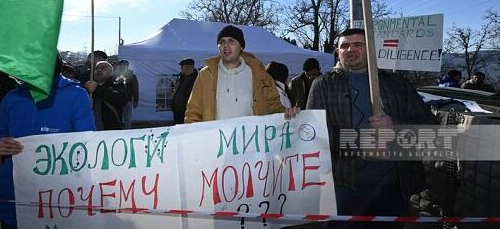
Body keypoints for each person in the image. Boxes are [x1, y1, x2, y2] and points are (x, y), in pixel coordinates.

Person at [288, 28, 437, 229]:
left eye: (359, 44)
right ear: (337, 51)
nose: (351, 49)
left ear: (371, 49)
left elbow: (429, 127)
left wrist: (394, 128)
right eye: (345, 45)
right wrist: (358, 144)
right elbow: (316, 132)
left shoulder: (397, 84)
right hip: (344, 186)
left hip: (394, 186)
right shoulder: (323, 84)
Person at [0, 56, 96, 229]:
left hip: (57, 193)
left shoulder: (75, 95)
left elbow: (86, 141)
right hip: (14, 189)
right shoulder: (13, 96)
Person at [185, 25, 284, 122]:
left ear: (241, 46)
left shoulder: (260, 75)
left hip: (250, 137)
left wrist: (288, 115)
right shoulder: (205, 75)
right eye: (222, 42)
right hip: (215, 138)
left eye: (231, 41)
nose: (226, 45)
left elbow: (275, 107)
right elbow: (193, 113)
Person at [84, 61, 129, 130]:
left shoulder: (117, 86)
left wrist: (97, 89)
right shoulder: (86, 88)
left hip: (109, 131)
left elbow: (121, 99)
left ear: (111, 73)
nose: (99, 70)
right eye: (96, 68)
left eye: (103, 68)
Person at [171, 58, 198, 124]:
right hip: (177, 111)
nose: (181, 68)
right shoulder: (180, 76)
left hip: (188, 112)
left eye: (182, 67)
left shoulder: (197, 79)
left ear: (188, 67)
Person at [116, 59, 139, 129]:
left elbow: (135, 89)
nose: (122, 67)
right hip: (116, 99)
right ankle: (117, 131)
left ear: (127, 66)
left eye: (124, 65)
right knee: (117, 117)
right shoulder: (115, 75)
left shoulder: (132, 76)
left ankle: (127, 132)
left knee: (128, 118)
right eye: (120, 65)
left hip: (128, 99)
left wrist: (135, 100)